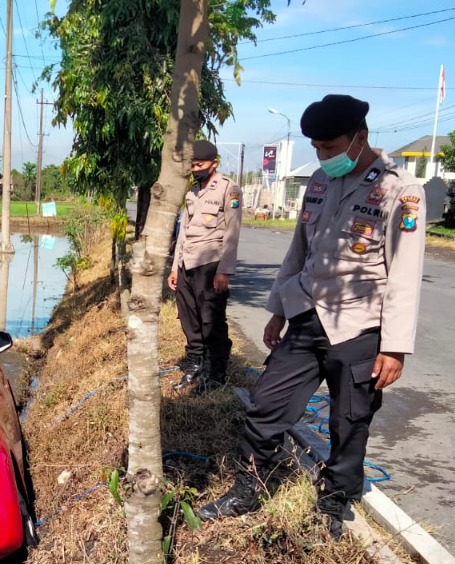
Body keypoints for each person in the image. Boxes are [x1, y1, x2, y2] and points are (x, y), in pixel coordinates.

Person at [195, 94, 426, 539]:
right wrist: (278, 310)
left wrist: (395, 347)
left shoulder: (401, 191)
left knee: (349, 419)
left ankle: (334, 501)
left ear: (360, 138)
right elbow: (298, 250)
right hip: (304, 316)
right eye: (317, 147)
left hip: (358, 327)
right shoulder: (320, 181)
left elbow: (404, 272)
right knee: (266, 405)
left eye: (329, 146)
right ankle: (250, 487)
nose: (322, 155)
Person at [167, 139, 242, 394]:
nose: (195, 168)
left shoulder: (228, 189)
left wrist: (224, 271)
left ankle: (216, 372)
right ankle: (195, 365)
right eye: (192, 165)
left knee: (211, 320)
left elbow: (232, 232)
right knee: (189, 317)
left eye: (199, 164)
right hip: (187, 262)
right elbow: (184, 232)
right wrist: (175, 267)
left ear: (214, 163)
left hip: (210, 264)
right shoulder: (192, 192)